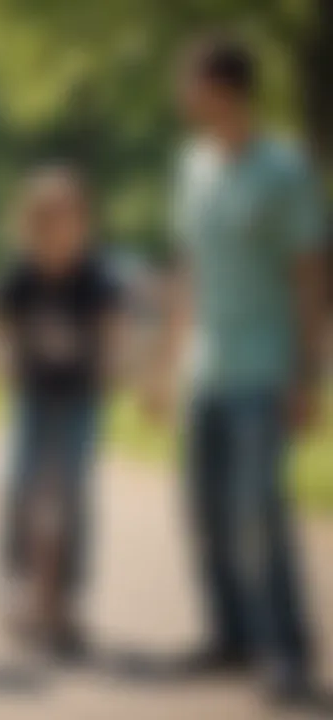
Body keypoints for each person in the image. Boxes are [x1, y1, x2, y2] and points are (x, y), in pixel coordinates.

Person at [158, 36, 328, 703]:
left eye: (190, 84)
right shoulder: (191, 164)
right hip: (207, 369)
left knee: (257, 514)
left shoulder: (285, 170)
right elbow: (189, 268)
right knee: (204, 511)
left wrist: (308, 376)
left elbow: (311, 276)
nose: (182, 96)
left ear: (226, 90)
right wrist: (164, 364)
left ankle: (286, 652)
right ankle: (228, 638)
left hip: (264, 369)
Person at [0, 166, 122, 656]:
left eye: (67, 214)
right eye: (45, 216)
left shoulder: (95, 275)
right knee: (22, 486)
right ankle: (17, 583)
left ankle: (69, 596)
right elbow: (3, 325)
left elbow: (112, 326)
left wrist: (112, 368)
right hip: (32, 397)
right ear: (29, 222)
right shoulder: (21, 274)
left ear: (84, 222)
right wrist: (4, 359)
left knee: (72, 492)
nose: (56, 225)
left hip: (79, 400)